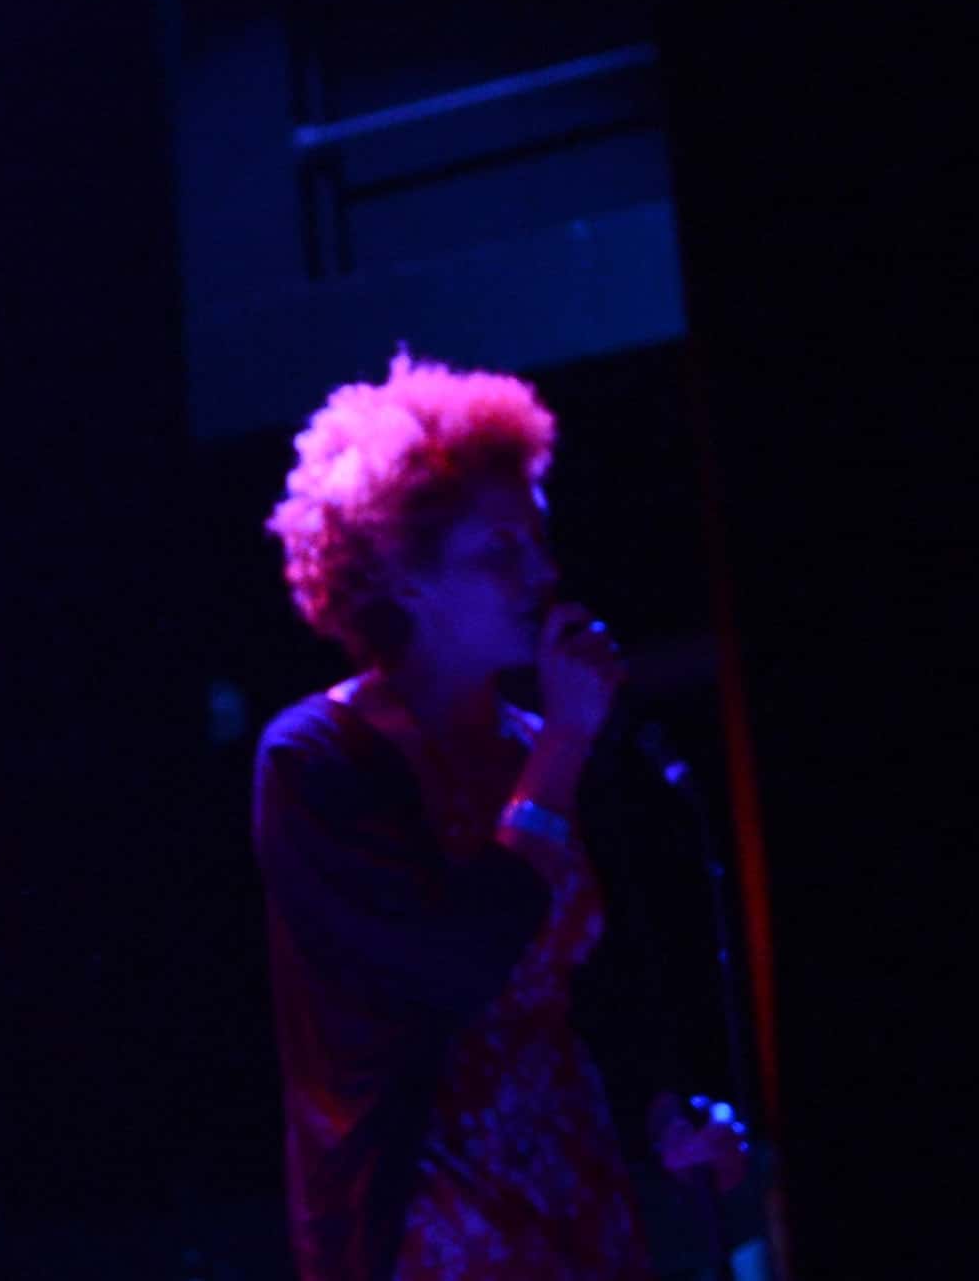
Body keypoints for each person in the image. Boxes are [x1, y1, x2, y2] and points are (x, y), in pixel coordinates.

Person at [252, 352, 747, 1280]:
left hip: (577, 1192)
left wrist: (664, 1115)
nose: (543, 572)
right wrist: (564, 745)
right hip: (430, 1220)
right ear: (404, 574)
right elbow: (455, 963)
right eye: (501, 551)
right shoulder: (315, 758)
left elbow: (596, 985)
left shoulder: (544, 735)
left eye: (540, 540)